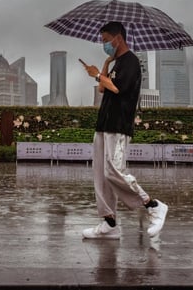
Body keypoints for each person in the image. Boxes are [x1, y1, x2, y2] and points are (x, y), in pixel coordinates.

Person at [81, 21, 167, 240]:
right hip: (104, 123)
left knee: (113, 171)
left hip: (119, 125)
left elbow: (118, 88)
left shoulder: (131, 61)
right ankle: (109, 223)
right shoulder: (117, 62)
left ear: (117, 38)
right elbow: (102, 88)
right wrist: (104, 66)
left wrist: (98, 75)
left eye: (105, 41)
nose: (104, 45)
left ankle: (153, 205)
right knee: (101, 174)